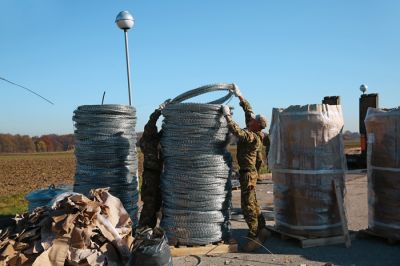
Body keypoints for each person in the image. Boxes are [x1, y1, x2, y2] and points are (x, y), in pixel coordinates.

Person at [221, 86, 269, 251]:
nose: (251, 118)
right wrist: (240, 96)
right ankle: (262, 227)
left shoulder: (252, 137)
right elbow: (249, 110)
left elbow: (236, 131)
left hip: (248, 175)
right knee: (253, 202)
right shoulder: (254, 126)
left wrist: (227, 116)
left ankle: (254, 235)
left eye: (253, 119)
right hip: (250, 174)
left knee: (247, 206)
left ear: (256, 125)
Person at [138, 99, 170, 229]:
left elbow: (165, 130)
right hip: (150, 175)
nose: (154, 130)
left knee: (161, 203)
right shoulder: (147, 140)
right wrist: (159, 111)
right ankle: (144, 230)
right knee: (149, 205)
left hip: (161, 175)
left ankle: (156, 230)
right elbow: (151, 124)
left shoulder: (158, 139)